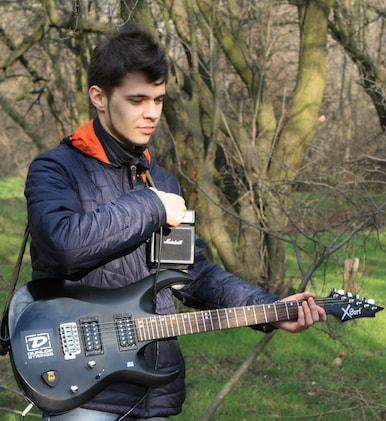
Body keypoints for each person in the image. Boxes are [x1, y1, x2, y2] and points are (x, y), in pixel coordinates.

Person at [24, 23, 326, 421]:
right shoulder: (55, 170)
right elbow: (62, 246)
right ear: (99, 96)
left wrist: (270, 309)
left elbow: (190, 275)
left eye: (159, 100)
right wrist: (150, 205)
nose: (152, 113)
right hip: (84, 395)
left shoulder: (161, 181)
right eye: (137, 100)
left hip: (157, 396)